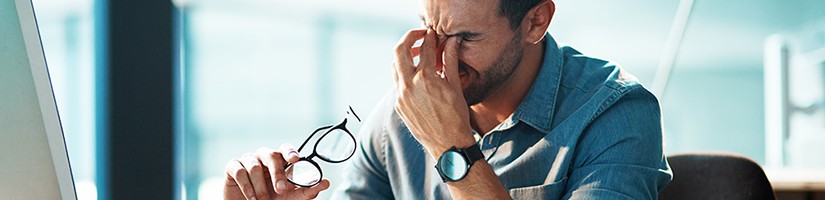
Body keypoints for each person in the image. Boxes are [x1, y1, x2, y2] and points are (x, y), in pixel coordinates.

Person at [224, 0, 673, 199]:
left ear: (536, 21)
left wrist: (452, 148)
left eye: (466, 37)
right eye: (430, 28)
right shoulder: (395, 123)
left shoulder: (618, 115)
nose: (440, 59)